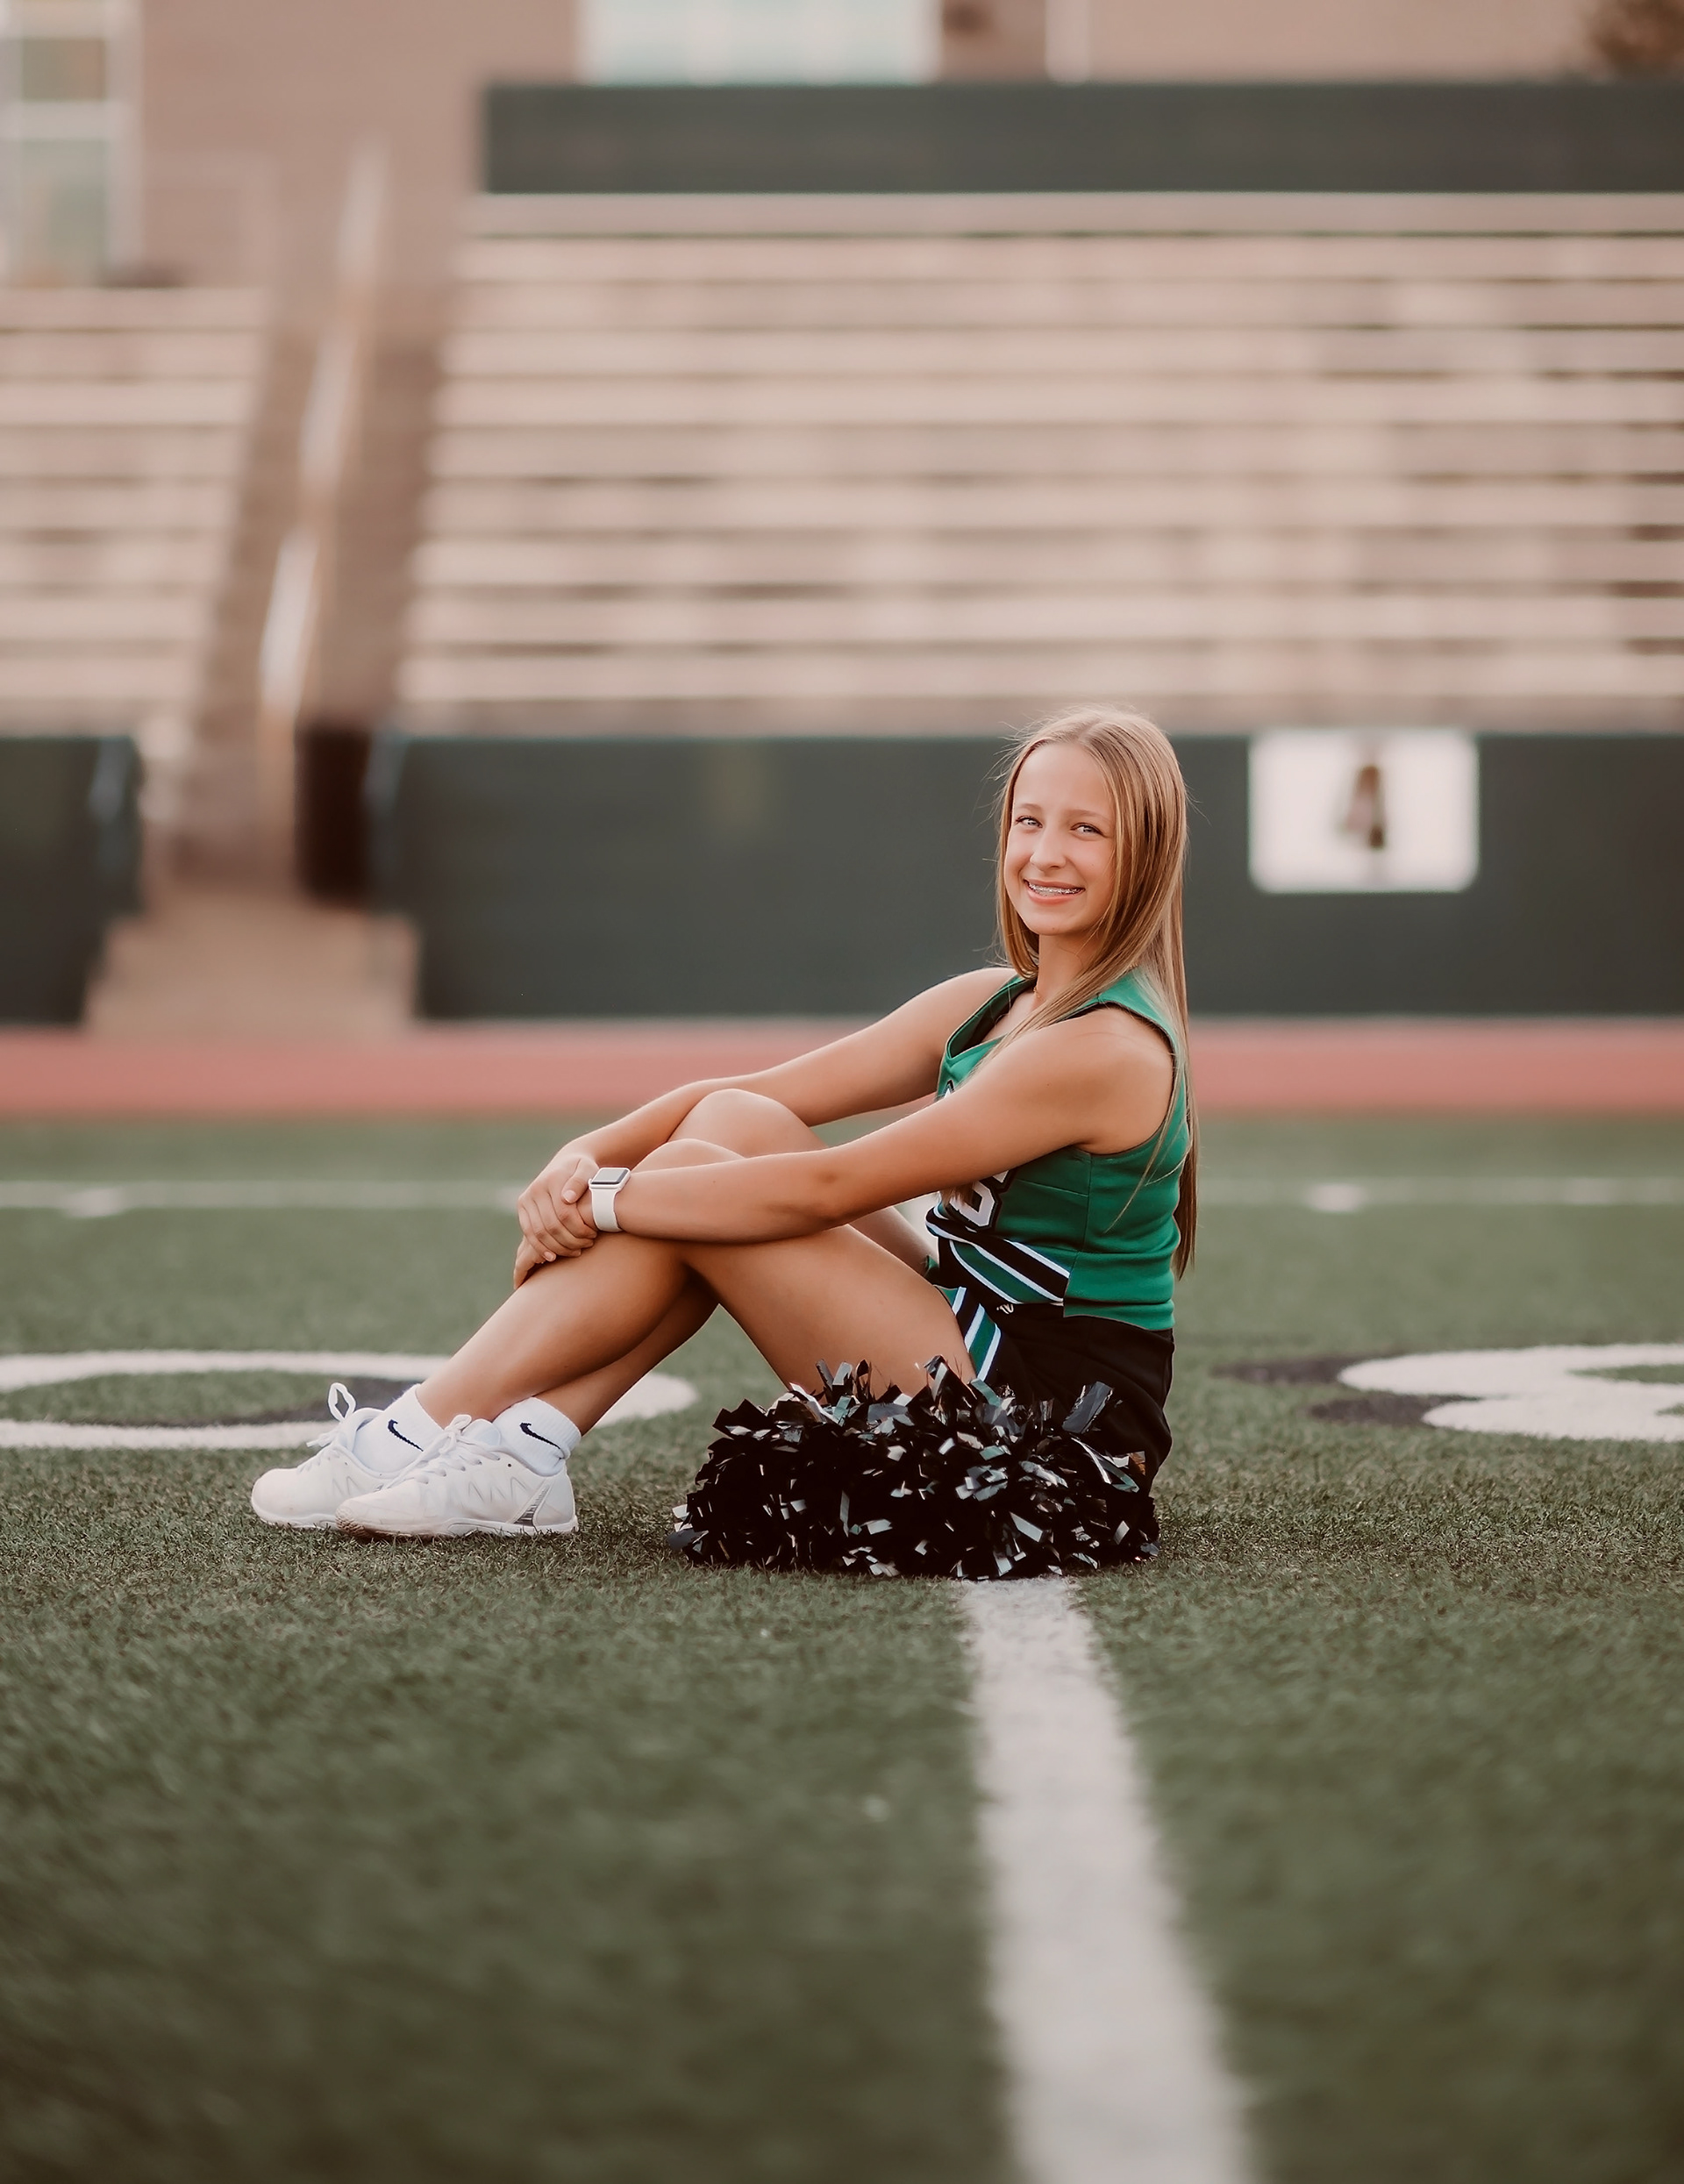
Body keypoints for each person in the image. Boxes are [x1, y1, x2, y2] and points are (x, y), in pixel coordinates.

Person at [250, 706, 1197, 1545]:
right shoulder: (996, 1000)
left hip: (1050, 1421)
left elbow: (830, 1188)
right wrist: (583, 1155)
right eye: (1029, 821)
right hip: (969, 1318)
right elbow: (752, 1092)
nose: (1045, 853)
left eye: (1086, 830)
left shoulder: (1104, 1049)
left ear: (1145, 854)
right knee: (734, 1123)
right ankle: (525, 1450)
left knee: (702, 1193)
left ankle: (415, 1431)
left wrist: (607, 1201)